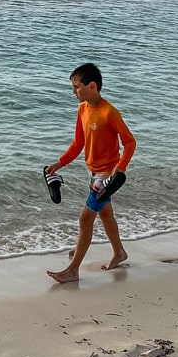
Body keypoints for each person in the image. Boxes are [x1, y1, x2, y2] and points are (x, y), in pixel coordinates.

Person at [45, 62, 136, 283]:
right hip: (92, 172)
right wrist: (59, 163)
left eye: (77, 86)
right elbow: (79, 143)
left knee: (85, 219)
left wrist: (120, 166)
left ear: (92, 86)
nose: (73, 91)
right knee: (105, 214)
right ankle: (119, 253)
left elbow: (130, 142)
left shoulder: (109, 112)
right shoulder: (83, 109)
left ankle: (73, 270)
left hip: (107, 177)